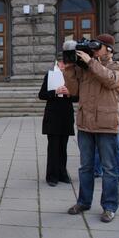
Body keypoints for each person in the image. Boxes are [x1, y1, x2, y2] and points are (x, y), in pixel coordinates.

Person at [63, 34, 119, 223]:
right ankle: (84, 202)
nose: (94, 49)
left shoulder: (118, 67)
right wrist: (70, 67)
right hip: (85, 124)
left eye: (97, 46)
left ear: (109, 49)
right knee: (85, 167)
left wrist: (91, 61)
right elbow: (73, 91)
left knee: (109, 168)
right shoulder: (86, 68)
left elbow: (110, 80)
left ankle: (109, 206)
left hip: (106, 125)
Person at [93, 56, 119, 183]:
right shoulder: (95, 64)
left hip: (118, 112)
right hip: (99, 112)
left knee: (118, 144)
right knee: (97, 144)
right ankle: (97, 169)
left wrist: (118, 95)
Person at [38, 54, 78, 187]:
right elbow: (42, 95)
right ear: (57, 63)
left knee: (63, 147)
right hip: (53, 116)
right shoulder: (50, 75)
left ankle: (62, 173)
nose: (63, 65)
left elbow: (77, 97)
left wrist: (69, 94)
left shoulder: (72, 76)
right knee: (53, 147)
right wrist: (55, 92)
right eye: (61, 63)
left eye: (65, 63)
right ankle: (51, 176)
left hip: (66, 116)